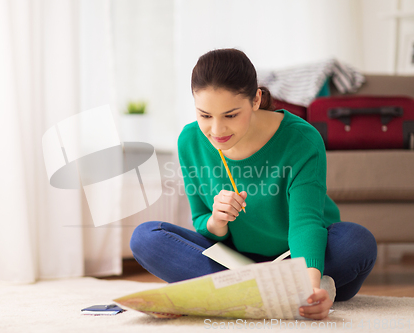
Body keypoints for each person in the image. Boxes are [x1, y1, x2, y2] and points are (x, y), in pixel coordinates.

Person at [130, 48, 377, 320]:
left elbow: (305, 223)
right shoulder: (190, 141)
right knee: (146, 237)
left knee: (357, 242)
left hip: (296, 258)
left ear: (256, 99)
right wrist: (218, 220)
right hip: (233, 261)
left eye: (231, 115)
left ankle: (222, 294)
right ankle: (262, 294)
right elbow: (202, 222)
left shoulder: (302, 140)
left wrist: (310, 284)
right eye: (205, 115)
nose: (217, 130)